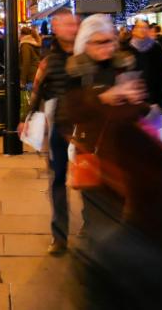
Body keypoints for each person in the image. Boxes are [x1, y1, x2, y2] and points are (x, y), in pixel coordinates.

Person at [64, 14, 143, 241]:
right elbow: (70, 111)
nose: (108, 47)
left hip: (121, 150)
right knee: (95, 210)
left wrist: (136, 100)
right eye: (100, 42)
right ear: (85, 42)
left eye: (110, 40)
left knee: (119, 210)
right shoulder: (76, 70)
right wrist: (102, 97)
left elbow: (138, 109)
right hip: (92, 151)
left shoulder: (124, 65)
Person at [26, 8, 78, 255]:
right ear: (55, 27)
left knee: (90, 178)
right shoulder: (49, 59)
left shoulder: (86, 54)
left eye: (74, 23)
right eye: (66, 24)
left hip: (85, 126)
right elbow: (38, 89)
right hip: (59, 126)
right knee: (58, 179)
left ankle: (92, 230)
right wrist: (28, 118)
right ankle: (60, 236)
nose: (72, 28)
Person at [124, 19, 162, 110]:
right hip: (135, 94)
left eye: (145, 27)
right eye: (139, 27)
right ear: (134, 30)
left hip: (155, 92)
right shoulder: (127, 48)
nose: (142, 30)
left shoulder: (155, 46)